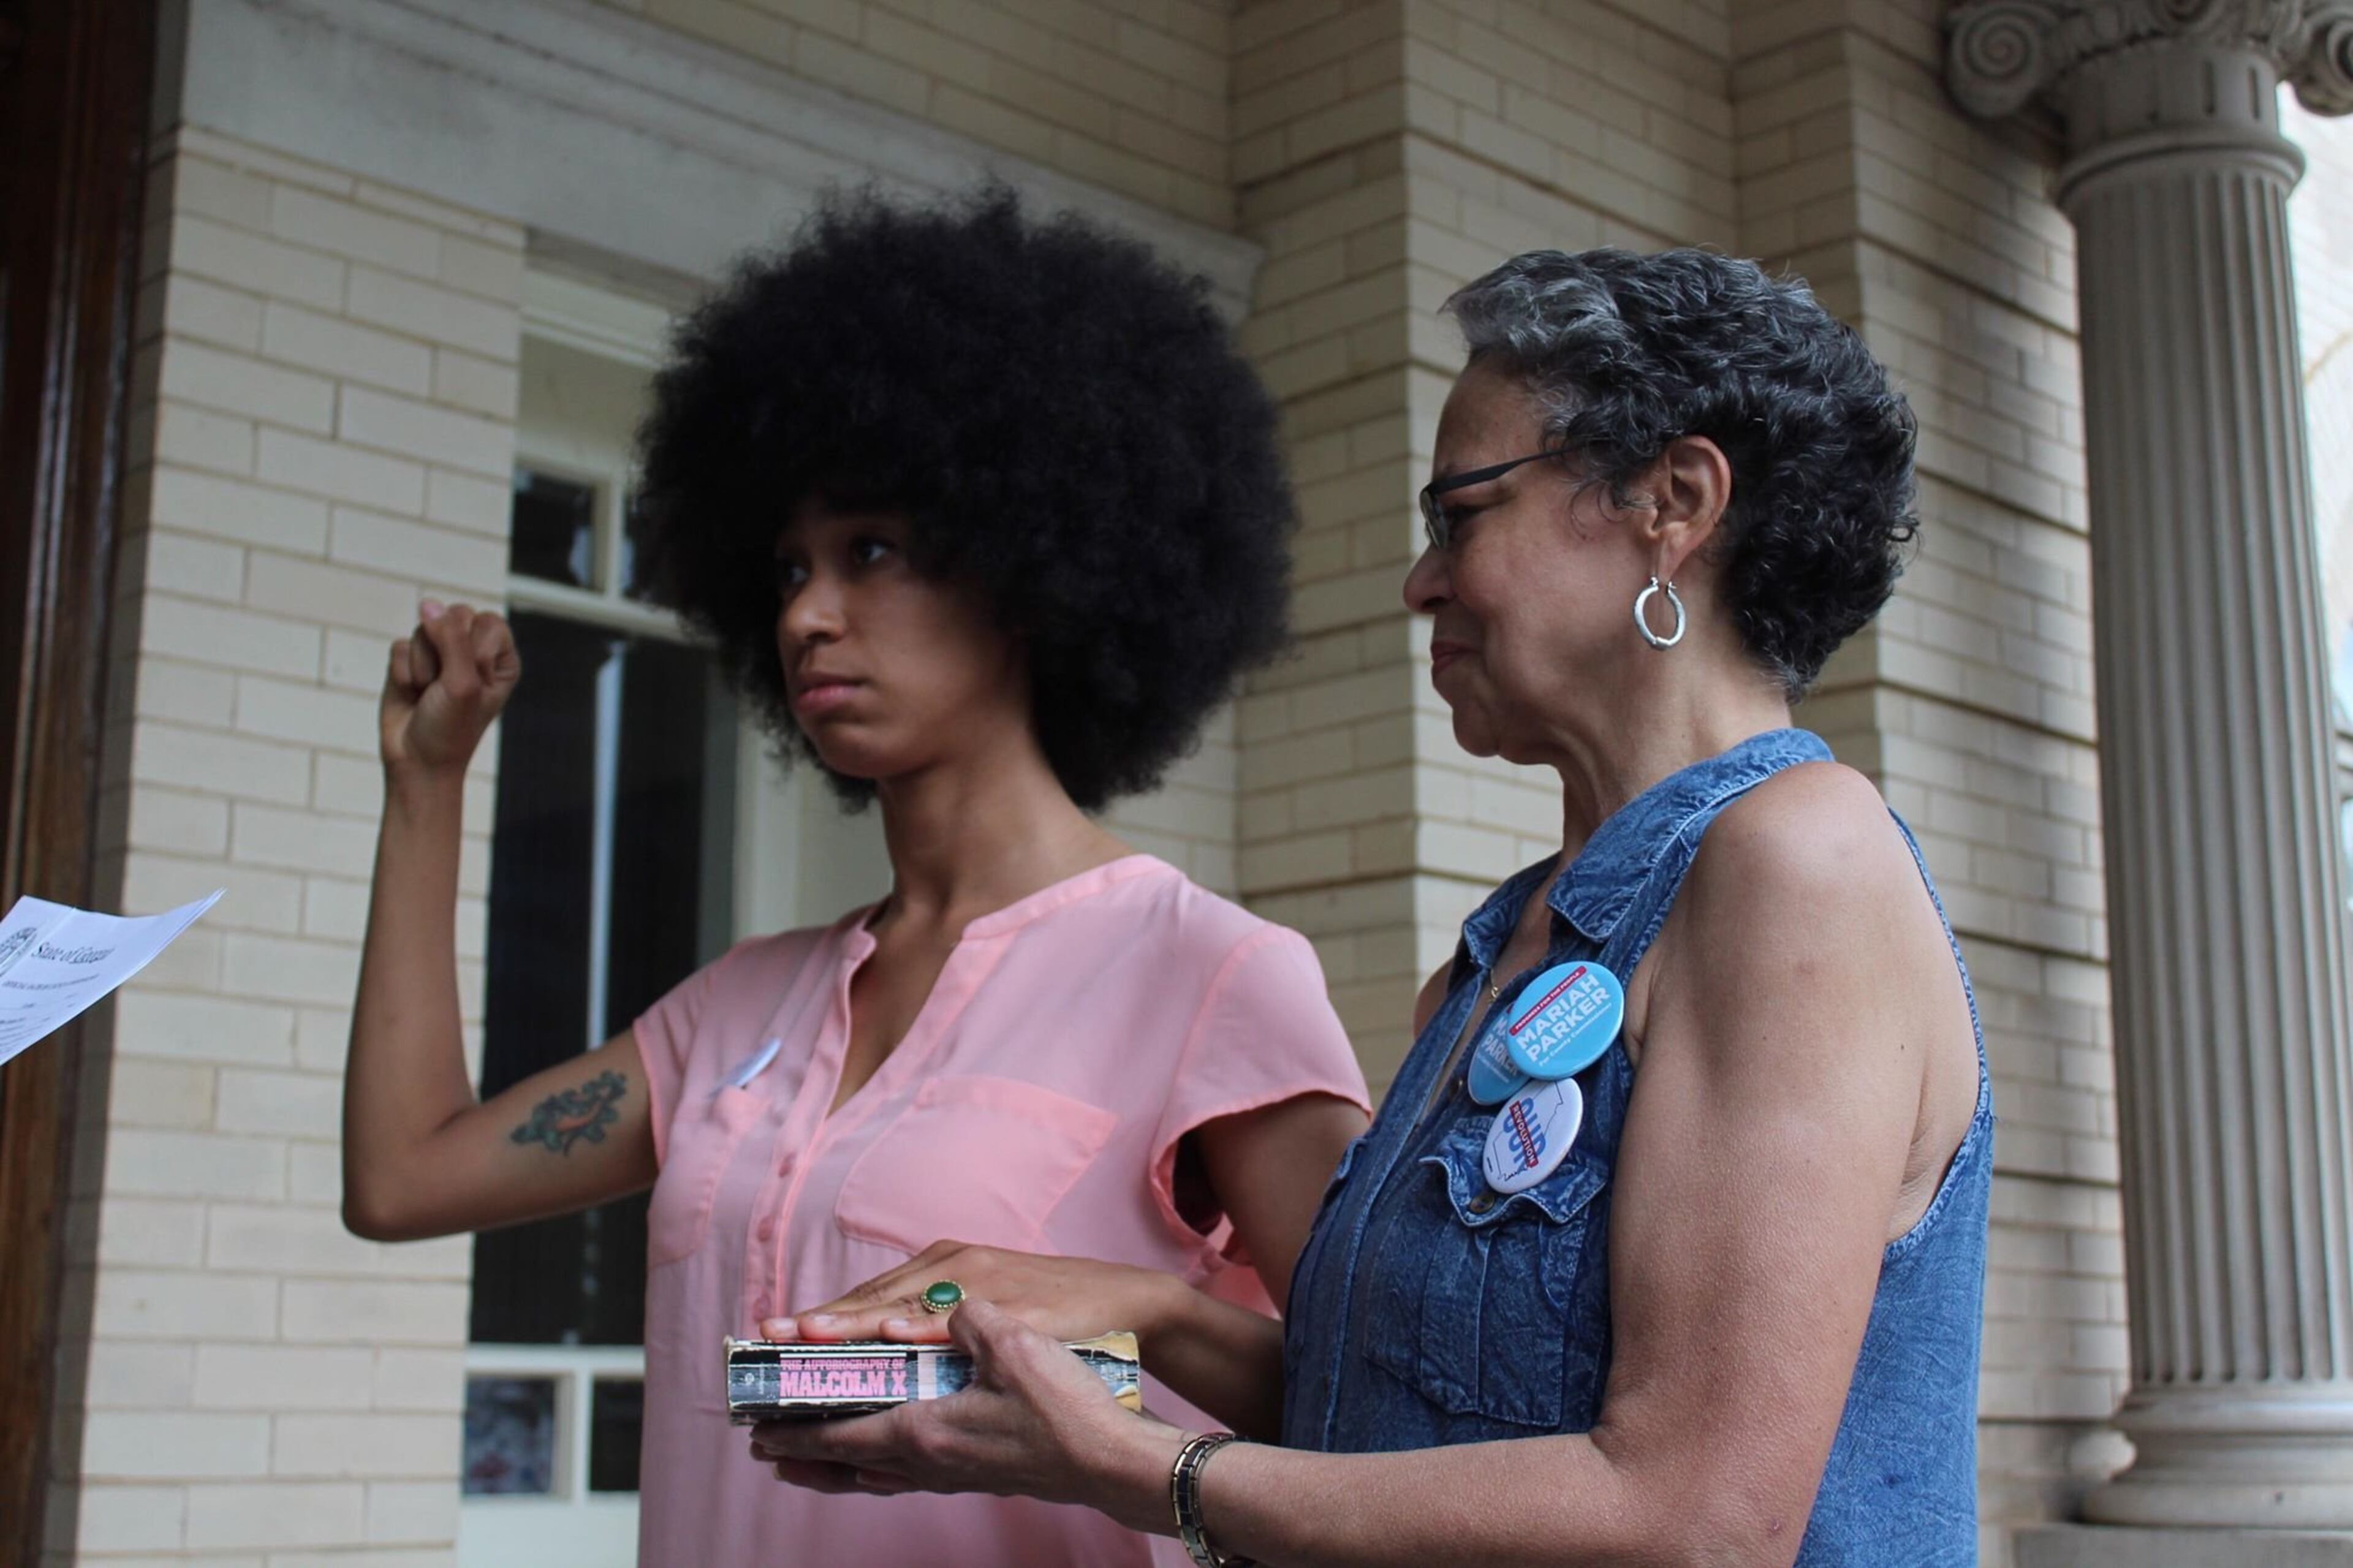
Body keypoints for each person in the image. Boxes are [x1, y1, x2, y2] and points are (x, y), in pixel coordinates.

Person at [750, 247, 1991, 1568]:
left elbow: (1699, 1518)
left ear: (1671, 503)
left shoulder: (1801, 861)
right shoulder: (1504, 952)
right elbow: (1405, 1425)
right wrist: (1144, 1317)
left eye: (1461, 515)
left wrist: (1142, 1469)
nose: (1420, 581)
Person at [340, 187, 1371, 1568]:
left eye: (869, 552)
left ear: (1026, 562)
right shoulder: (737, 1006)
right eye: (786, 570)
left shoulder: (1210, 975)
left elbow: (1396, 1411)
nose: (806, 615)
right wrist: (426, 787)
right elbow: (400, 1177)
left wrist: (1152, 1318)